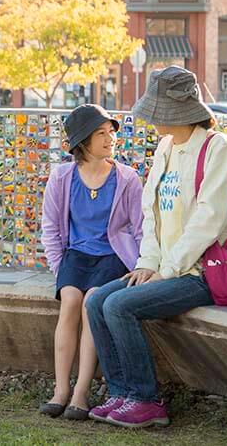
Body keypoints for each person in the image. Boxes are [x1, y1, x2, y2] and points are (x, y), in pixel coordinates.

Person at [85, 66, 227, 428]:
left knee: (121, 305)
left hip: (201, 272)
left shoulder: (218, 149)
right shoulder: (166, 148)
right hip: (163, 268)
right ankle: (122, 394)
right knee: (96, 301)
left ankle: (147, 400)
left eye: (157, 111)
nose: (152, 119)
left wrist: (166, 271)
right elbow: (151, 213)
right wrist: (147, 264)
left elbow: (209, 220)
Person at [39, 104, 144, 420]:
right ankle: (61, 390)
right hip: (77, 257)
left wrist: (142, 265)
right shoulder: (62, 177)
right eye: (101, 133)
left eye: (111, 132)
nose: (109, 138)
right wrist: (60, 270)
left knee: (90, 303)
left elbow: (140, 228)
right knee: (70, 299)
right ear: (83, 141)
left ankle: (81, 394)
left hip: (112, 257)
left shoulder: (127, 178)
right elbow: (51, 227)